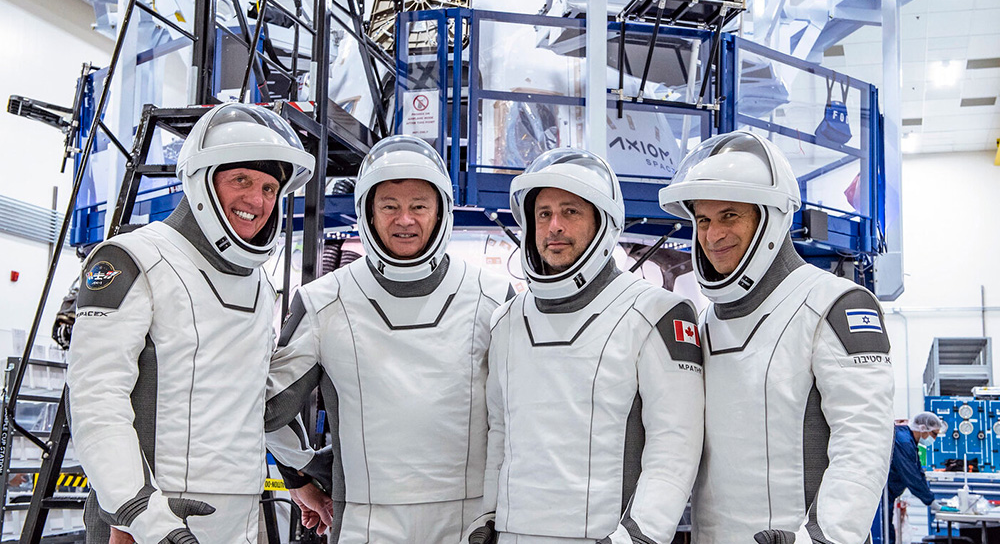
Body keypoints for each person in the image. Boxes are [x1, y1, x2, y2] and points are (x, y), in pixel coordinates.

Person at [68, 103, 314, 544]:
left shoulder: (260, 285)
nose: (256, 201)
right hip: (145, 523)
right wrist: (137, 511)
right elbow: (96, 401)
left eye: (269, 187)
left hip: (237, 517)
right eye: (241, 180)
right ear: (202, 180)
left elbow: (253, 401)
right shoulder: (133, 259)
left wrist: (300, 475)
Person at [264, 134, 511, 543]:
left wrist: (302, 471)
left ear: (440, 212)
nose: (405, 220)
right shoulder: (325, 301)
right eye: (390, 207)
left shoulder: (493, 297)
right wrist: (299, 475)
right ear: (369, 212)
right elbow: (268, 409)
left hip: (471, 525)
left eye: (418, 206)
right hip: (368, 523)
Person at [658, 130, 895, 544]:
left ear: (770, 218)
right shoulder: (705, 319)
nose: (713, 235)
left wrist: (825, 538)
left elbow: (863, 440)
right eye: (703, 220)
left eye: (730, 215)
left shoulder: (834, 303)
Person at [473, 147, 705, 544]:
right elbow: (501, 434)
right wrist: (487, 517)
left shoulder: (655, 312)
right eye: (543, 214)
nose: (554, 226)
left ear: (603, 223)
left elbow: (676, 448)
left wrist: (639, 535)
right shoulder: (507, 321)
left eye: (570, 212)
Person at [886, 413, 943, 544]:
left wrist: (931, 498)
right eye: (934, 434)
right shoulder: (903, 441)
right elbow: (911, 475)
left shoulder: (910, 440)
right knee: (885, 536)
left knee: (889, 534)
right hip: (882, 496)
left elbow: (918, 471)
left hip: (889, 495)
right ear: (923, 428)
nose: (934, 438)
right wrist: (930, 500)